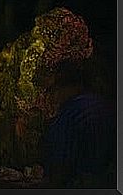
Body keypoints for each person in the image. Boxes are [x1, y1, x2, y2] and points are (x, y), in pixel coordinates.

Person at [41, 58, 115, 187]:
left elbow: (58, 170)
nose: (51, 97)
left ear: (59, 86)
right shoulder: (107, 106)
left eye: (50, 90)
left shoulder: (68, 116)